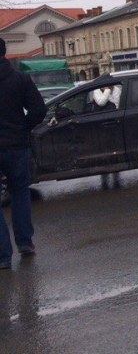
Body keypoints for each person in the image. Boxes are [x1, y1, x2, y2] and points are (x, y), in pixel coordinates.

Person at [0, 38, 47, 270]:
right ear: (4, 53)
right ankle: (25, 243)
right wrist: (23, 127)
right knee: (20, 193)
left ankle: (3, 256)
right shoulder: (20, 79)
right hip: (16, 145)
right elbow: (40, 109)